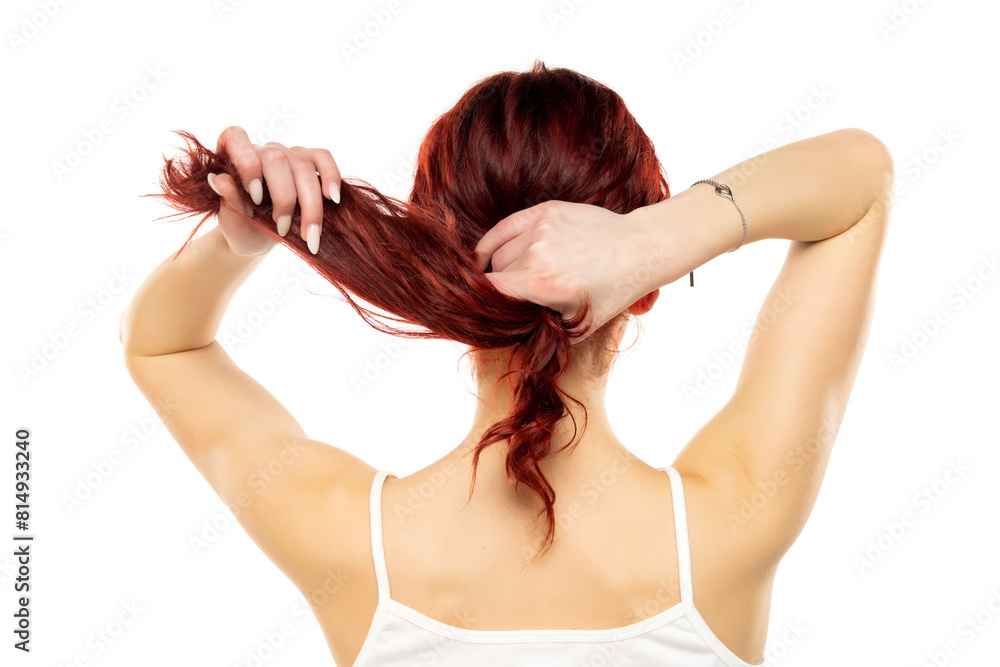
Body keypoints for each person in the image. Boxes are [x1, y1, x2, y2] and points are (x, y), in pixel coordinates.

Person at [119, 62, 893, 666]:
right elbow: (861, 178)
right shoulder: (735, 516)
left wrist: (238, 239)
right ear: (643, 292)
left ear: (437, 273)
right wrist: (654, 239)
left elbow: (164, 344)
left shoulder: (350, 542)